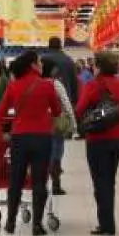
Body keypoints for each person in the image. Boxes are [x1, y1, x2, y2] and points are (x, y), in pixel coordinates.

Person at [0, 51, 63, 236]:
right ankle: (37, 226)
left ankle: (10, 223)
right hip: (42, 138)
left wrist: (3, 134)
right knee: (39, 181)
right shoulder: (47, 85)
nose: (42, 65)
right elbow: (57, 111)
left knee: (16, 180)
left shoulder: (13, 85)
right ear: (33, 65)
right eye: (39, 62)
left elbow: (0, 113)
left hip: (19, 138)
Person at [76, 51, 119, 236]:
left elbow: (80, 108)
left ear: (98, 66)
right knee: (109, 179)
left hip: (98, 138)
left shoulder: (93, 84)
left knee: (101, 181)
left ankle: (107, 224)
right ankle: (107, 222)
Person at [42, 57, 77, 195]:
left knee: (43, 153)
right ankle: (56, 185)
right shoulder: (56, 84)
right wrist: (73, 123)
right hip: (56, 122)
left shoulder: (36, 83)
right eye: (55, 68)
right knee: (57, 152)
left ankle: (42, 183)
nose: (57, 70)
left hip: (40, 123)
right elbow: (66, 103)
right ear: (51, 69)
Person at [43, 37, 79, 108]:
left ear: (49, 45)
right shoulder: (68, 60)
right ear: (60, 45)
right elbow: (74, 81)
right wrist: (74, 100)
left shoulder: (43, 59)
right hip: (65, 98)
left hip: (46, 99)